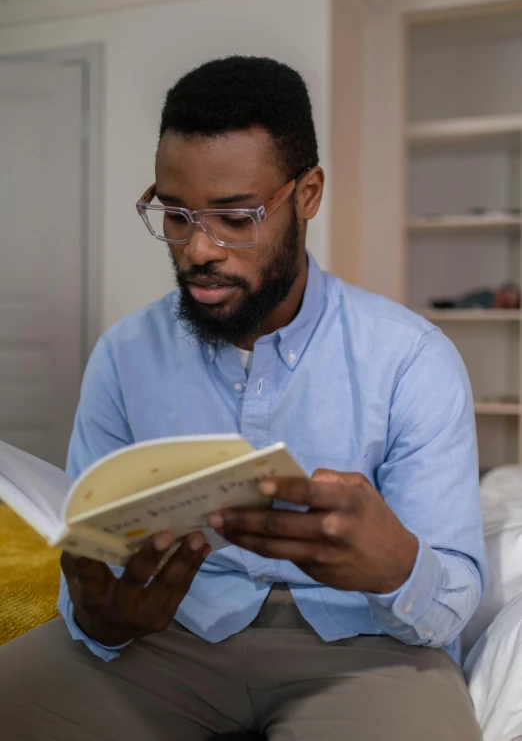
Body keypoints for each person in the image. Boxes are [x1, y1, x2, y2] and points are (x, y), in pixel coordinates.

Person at [0, 56, 485, 741]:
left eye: (235, 217)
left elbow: (455, 603)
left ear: (308, 193)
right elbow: (90, 558)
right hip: (172, 637)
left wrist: (397, 562)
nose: (198, 248)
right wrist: (100, 620)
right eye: (175, 214)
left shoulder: (412, 358)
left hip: (365, 649)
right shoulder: (122, 355)